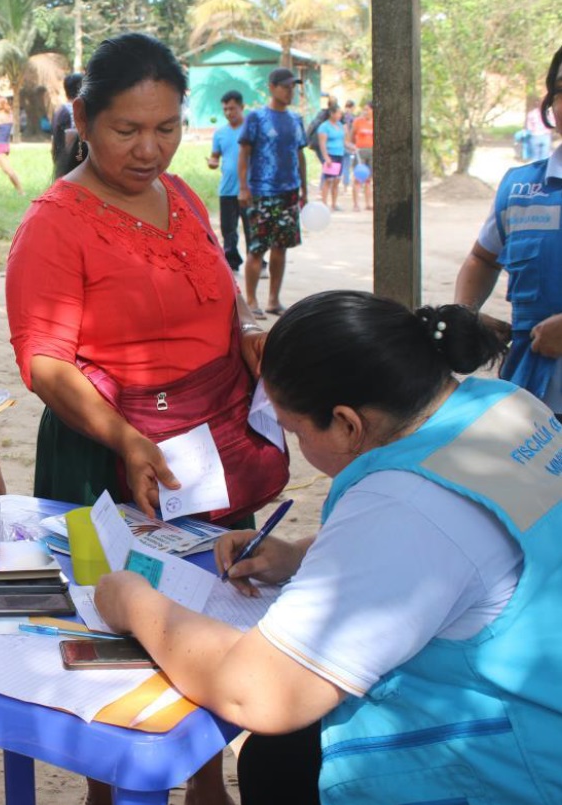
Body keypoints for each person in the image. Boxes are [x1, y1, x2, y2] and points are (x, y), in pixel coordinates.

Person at [95, 289, 562, 804]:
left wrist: (134, 603)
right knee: (278, 759)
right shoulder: (503, 406)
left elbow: (259, 691)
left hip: (509, 766)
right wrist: (301, 554)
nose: (296, 443)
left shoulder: (406, 504)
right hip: (534, 694)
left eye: (293, 430)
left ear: (346, 423)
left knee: (279, 752)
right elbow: (467, 543)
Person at [5, 34, 288, 805]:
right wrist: (125, 438)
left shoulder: (184, 196)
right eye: (128, 130)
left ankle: (204, 779)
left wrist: (248, 333)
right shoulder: (56, 223)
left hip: (208, 440)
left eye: (166, 128)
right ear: (83, 117)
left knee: (215, 600)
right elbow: (45, 362)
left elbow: (222, 287)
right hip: (109, 449)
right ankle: (113, 789)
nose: (150, 148)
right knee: (123, 629)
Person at [455, 44, 562, 419]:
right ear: (550, 104)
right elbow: (482, 258)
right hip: (531, 398)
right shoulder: (520, 188)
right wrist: (466, 313)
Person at [238, 66, 308, 319]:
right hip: (262, 192)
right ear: (272, 87)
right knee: (257, 248)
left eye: (292, 88)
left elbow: (300, 155)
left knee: (282, 247)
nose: (290, 92)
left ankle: (273, 300)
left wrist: (304, 189)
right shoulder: (257, 118)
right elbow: (244, 153)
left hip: (289, 191)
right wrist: (243, 187)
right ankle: (251, 300)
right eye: (286, 87)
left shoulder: (295, 120)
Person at [208, 89, 253, 271]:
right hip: (226, 189)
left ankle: (256, 262)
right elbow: (215, 157)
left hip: (249, 189)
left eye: (232, 109)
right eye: (225, 109)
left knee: (252, 229)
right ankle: (232, 263)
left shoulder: (251, 130)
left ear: (242, 107)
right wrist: (212, 163)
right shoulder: (220, 134)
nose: (229, 113)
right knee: (228, 230)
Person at [51, 72, 83, 179]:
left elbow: (53, 139)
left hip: (60, 160)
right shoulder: (74, 110)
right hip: (70, 165)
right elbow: (70, 139)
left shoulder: (59, 110)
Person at [317, 104, 347, 211]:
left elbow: (343, 141)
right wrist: (326, 157)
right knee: (328, 180)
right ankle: (324, 204)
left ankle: (334, 204)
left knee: (337, 180)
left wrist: (350, 146)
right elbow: (322, 143)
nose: (340, 115)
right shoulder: (324, 127)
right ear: (332, 113)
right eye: (338, 113)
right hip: (331, 155)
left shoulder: (340, 125)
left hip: (340, 154)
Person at [347, 101, 374, 211]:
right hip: (360, 152)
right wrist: (353, 147)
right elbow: (351, 137)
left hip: (372, 152)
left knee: (368, 179)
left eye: (367, 109)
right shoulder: (357, 122)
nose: (365, 112)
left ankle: (368, 203)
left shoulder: (375, 122)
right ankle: (356, 204)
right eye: (364, 109)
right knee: (358, 178)